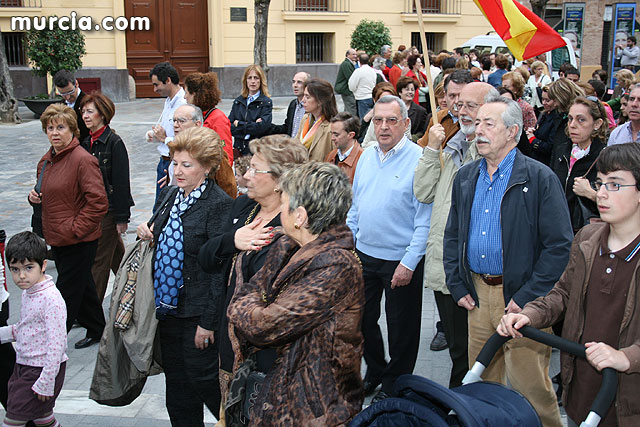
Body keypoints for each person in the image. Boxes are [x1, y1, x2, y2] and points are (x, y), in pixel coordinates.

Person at [443, 96, 573, 427]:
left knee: (531, 386)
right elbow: (453, 234)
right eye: (478, 122)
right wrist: (457, 284)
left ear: (513, 131)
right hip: (477, 296)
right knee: (484, 384)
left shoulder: (539, 178)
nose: (478, 129)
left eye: (489, 123)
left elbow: (559, 246)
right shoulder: (466, 176)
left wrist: (528, 297)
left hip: (522, 299)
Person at [498, 142, 640, 427]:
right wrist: (530, 314)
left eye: (615, 185)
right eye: (600, 183)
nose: (601, 193)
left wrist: (627, 357)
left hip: (628, 402)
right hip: (582, 391)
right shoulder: (588, 238)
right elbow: (563, 293)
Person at [227, 161, 364, 426]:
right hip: (279, 392)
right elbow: (252, 292)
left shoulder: (337, 266)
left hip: (314, 408)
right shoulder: (288, 245)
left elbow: (262, 325)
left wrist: (244, 304)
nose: (280, 210)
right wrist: (251, 301)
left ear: (300, 216)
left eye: (284, 202)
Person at [197, 135, 308, 425]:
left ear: (280, 179)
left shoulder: (296, 223)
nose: (245, 176)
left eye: (254, 170)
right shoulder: (243, 208)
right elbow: (207, 258)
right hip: (230, 333)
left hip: (267, 347)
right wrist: (233, 240)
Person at [136, 126, 232, 426]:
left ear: (206, 167)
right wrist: (147, 231)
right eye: (174, 163)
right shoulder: (169, 194)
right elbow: (158, 228)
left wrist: (208, 322)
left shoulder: (218, 204)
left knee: (204, 381)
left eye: (186, 165)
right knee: (176, 388)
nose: (177, 170)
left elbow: (220, 272)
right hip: (168, 309)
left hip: (198, 313)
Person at [347, 95, 432, 402]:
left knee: (402, 329)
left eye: (391, 121)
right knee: (362, 319)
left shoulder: (420, 160)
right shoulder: (367, 155)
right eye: (378, 120)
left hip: (401, 259)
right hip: (365, 255)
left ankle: (396, 384)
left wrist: (409, 263)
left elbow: (425, 219)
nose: (383, 127)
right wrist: (349, 242)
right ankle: (377, 369)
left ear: (406, 124)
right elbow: (356, 205)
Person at [414, 82, 498, 388]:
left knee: (472, 353)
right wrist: (431, 149)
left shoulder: (491, 152)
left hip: (474, 271)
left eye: (469, 106)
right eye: (458, 104)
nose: (461, 111)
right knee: (457, 348)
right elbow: (422, 192)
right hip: (444, 265)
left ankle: (462, 406)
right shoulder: (449, 145)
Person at [29, 104, 108, 349]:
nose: (55, 133)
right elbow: (48, 192)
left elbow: (98, 202)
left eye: (61, 127)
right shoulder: (48, 159)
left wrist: (76, 228)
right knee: (82, 286)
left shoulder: (83, 160)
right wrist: (34, 197)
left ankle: (49, 343)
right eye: (50, 128)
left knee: (64, 293)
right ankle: (97, 328)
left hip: (79, 239)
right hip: (57, 236)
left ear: (72, 130)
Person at [1, 232, 67, 427]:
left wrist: (47, 380)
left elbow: (57, 344)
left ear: (43, 265)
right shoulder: (29, 292)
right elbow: (26, 329)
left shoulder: (51, 299)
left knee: (13, 419)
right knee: (42, 418)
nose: (21, 276)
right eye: (15, 269)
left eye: (28, 268)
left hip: (41, 369)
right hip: (25, 365)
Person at [80, 92, 134, 303]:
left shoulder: (114, 142)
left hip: (108, 211)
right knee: (117, 259)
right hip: (91, 209)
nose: (85, 116)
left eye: (90, 112)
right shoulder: (86, 142)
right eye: (83, 111)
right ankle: (135, 292)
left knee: (98, 262)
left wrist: (122, 218)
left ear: (102, 114)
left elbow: (121, 183)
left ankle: (92, 312)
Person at [550, 97, 607, 232]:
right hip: (556, 227)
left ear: (597, 124)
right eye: (570, 119)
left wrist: (591, 194)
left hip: (584, 230)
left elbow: (618, 203)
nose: (572, 125)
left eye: (581, 119)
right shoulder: (561, 150)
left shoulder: (604, 157)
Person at [171, 104, 237, 198]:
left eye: (181, 121)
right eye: (174, 121)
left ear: (197, 124)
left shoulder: (212, 150)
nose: (175, 125)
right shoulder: (175, 147)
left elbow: (228, 187)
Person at [147, 62, 187, 204]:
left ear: (168, 81)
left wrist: (164, 138)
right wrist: (155, 134)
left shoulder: (183, 103)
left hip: (173, 161)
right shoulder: (168, 101)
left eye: (157, 85)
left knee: (167, 206)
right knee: (159, 206)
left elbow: (185, 139)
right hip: (163, 159)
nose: (155, 89)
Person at [527, 78, 585, 166]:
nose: (554, 104)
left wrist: (533, 140)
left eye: (551, 100)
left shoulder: (562, 119)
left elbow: (553, 146)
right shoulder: (550, 115)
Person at [184, 71, 234, 164]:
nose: (184, 97)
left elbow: (225, 154)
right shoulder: (198, 115)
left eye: (186, 93)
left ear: (194, 94)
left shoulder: (218, 119)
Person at [418, 69, 473, 149]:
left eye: (461, 95)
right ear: (445, 95)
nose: (457, 101)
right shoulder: (438, 117)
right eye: (452, 96)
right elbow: (422, 146)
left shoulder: (477, 119)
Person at [229, 64, 273, 157]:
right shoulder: (238, 101)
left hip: (256, 152)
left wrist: (240, 124)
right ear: (245, 81)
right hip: (239, 150)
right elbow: (230, 127)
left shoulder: (265, 102)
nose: (253, 81)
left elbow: (262, 128)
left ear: (261, 81)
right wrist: (253, 125)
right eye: (250, 78)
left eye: (256, 78)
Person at [296, 78, 338, 162]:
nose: (303, 100)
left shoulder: (331, 127)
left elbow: (334, 157)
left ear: (320, 101)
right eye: (303, 95)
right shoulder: (305, 119)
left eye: (307, 97)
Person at [325, 112, 364, 183]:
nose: (332, 138)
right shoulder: (331, 156)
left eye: (336, 135)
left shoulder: (363, 159)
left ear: (351, 135)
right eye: (332, 133)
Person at [53, 70, 89, 143]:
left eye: (70, 92)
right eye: (62, 93)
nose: (68, 97)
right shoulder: (60, 105)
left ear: (76, 84)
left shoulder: (88, 102)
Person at [269, 72, 309, 138]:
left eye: (299, 82)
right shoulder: (293, 104)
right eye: (293, 82)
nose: (295, 85)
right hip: (292, 146)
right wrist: (266, 126)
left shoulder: (311, 105)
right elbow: (287, 128)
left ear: (307, 85)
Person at [396, 76, 427, 142]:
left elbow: (422, 131)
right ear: (400, 92)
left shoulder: (421, 111)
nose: (410, 92)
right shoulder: (393, 108)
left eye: (412, 90)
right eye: (407, 89)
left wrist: (412, 138)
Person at [348, 53, 377, 120]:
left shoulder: (358, 71)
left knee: (363, 120)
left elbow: (351, 86)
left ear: (359, 61)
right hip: (371, 97)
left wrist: (355, 91)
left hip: (362, 98)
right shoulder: (372, 71)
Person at [335, 49, 358, 117]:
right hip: (346, 90)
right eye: (353, 54)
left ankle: (345, 122)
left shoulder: (349, 63)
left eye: (355, 54)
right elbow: (350, 78)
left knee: (348, 107)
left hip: (346, 89)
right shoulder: (346, 64)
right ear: (348, 55)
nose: (355, 56)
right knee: (351, 107)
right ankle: (351, 124)